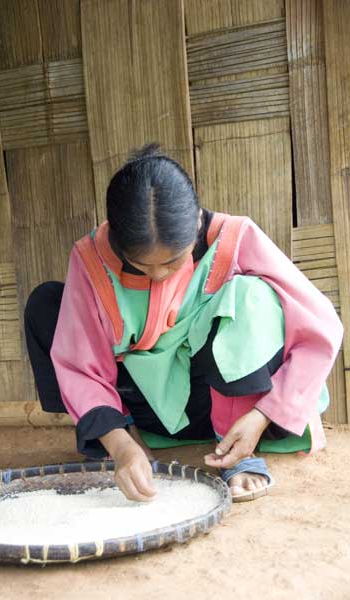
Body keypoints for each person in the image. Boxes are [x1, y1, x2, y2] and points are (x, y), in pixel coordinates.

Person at [24, 142, 343, 503]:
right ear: (115, 237)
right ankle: (122, 443)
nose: (159, 277)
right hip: (147, 410)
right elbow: (79, 365)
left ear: (194, 224)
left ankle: (236, 453)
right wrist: (119, 442)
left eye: (173, 262)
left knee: (250, 294)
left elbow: (321, 326)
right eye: (142, 267)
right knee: (47, 303)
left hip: (225, 402)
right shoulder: (92, 258)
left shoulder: (235, 237)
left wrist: (262, 416)